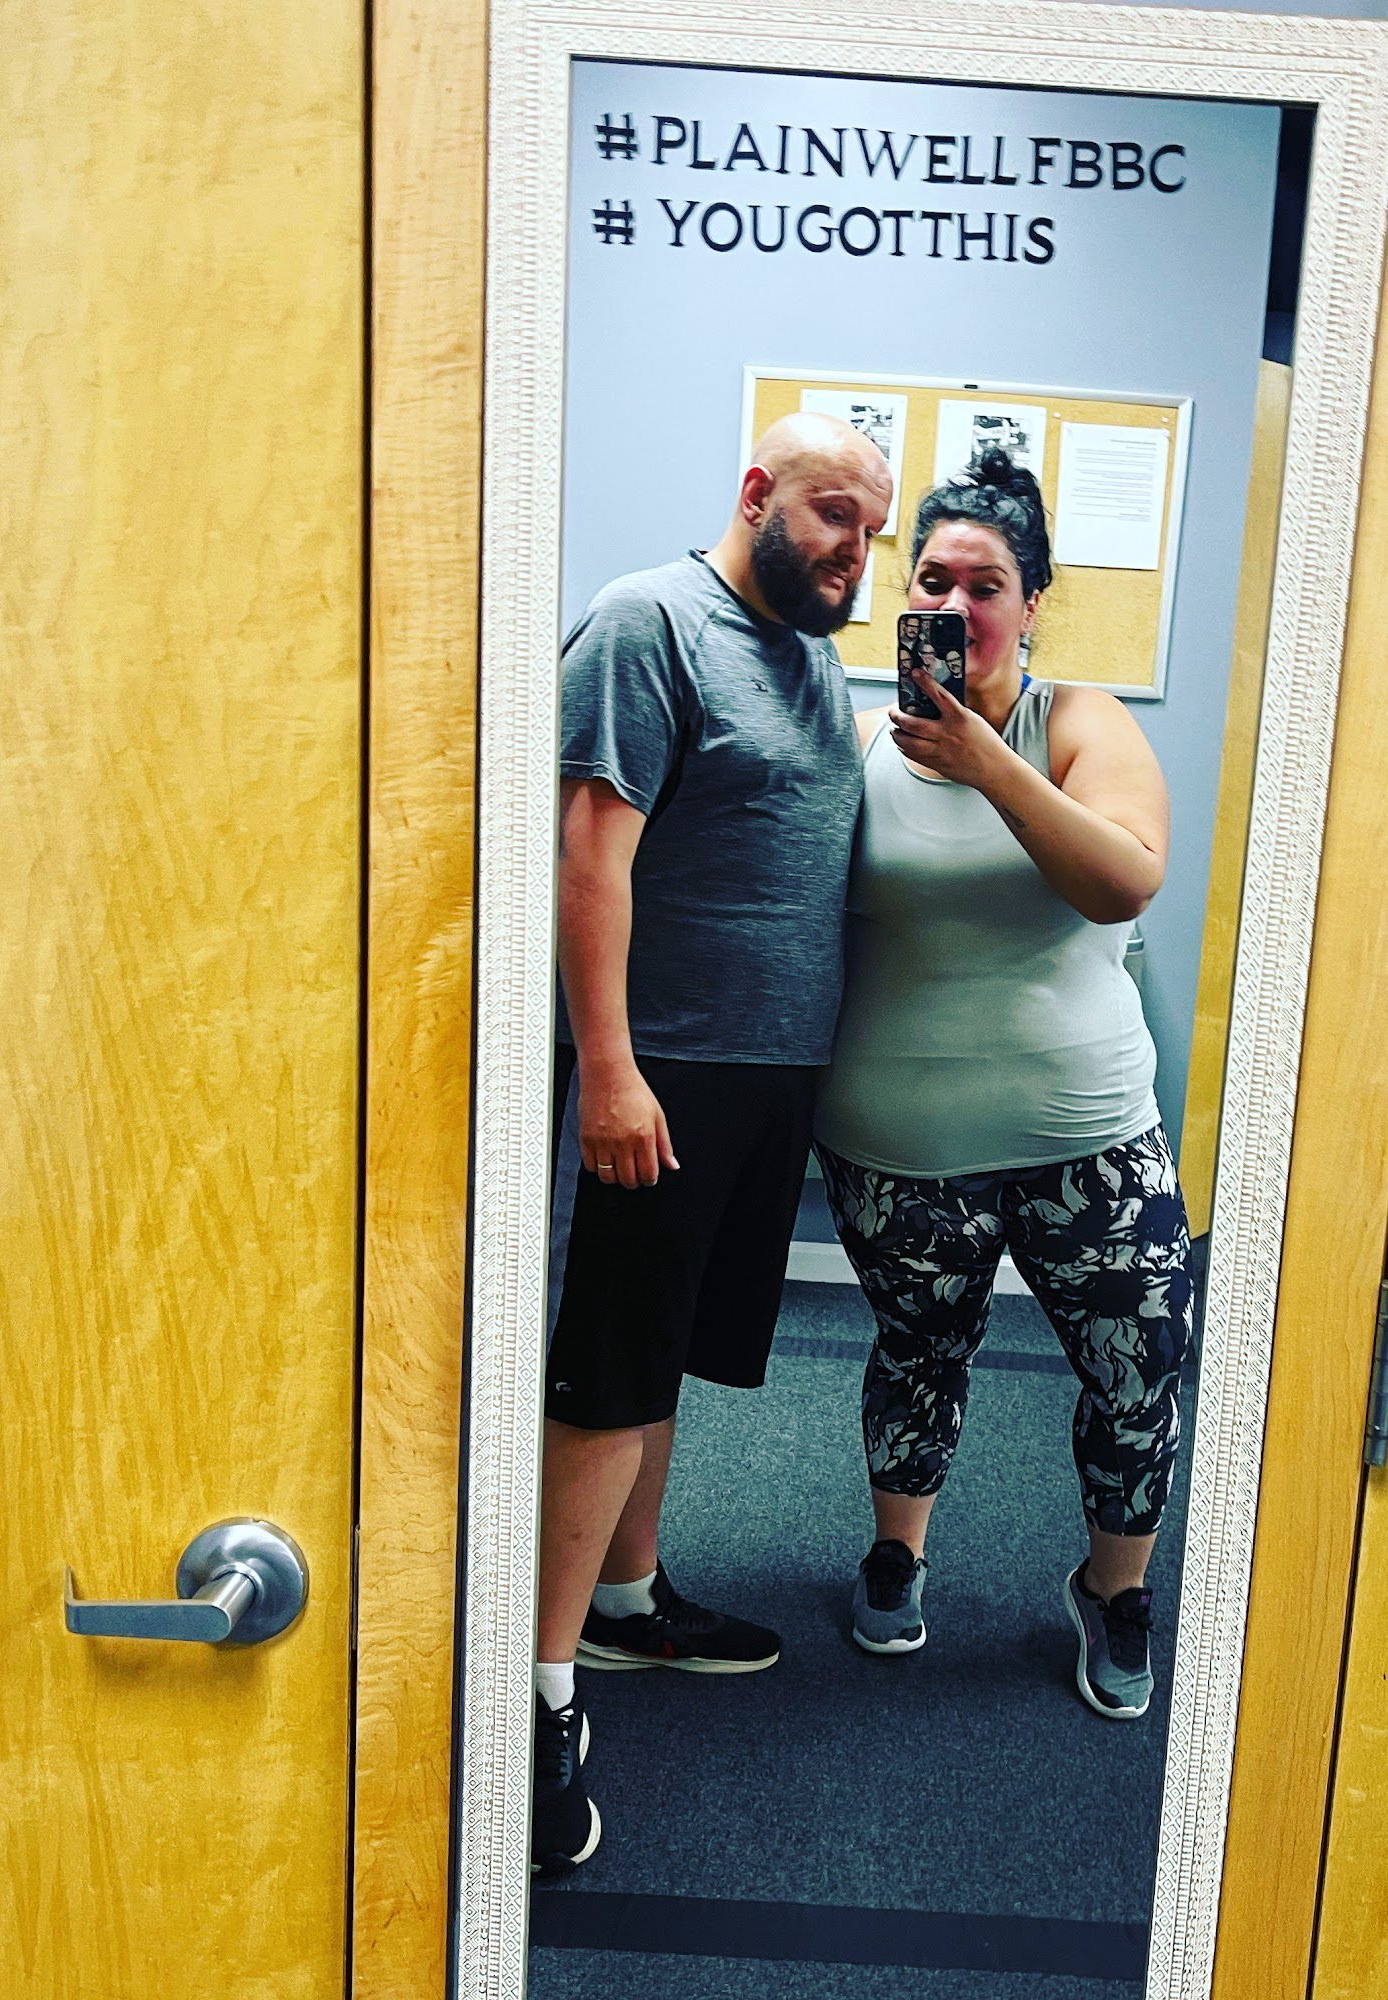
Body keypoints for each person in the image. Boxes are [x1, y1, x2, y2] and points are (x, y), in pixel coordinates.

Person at [534, 413, 893, 1872]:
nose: (854, 551)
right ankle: (535, 1692)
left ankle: (628, 1604)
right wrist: (611, 1071)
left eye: (870, 530)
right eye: (832, 515)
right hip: (665, 1070)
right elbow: (586, 853)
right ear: (756, 494)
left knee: (666, 1353)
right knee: (606, 1371)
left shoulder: (809, 654)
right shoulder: (648, 622)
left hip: (765, 1076)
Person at [814, 447, 1194, 1722]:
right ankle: (896, 1552)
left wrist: (987, 762)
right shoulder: (859, 744)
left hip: (1090, 1136)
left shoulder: (1076, 722)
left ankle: (1113, 1588)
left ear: (1031, 604)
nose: (955, 605)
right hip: (897, 1140)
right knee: (918, 1352)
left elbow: (1122, 880)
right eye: (932, 580)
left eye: (985, 585)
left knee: (1139, 1361)